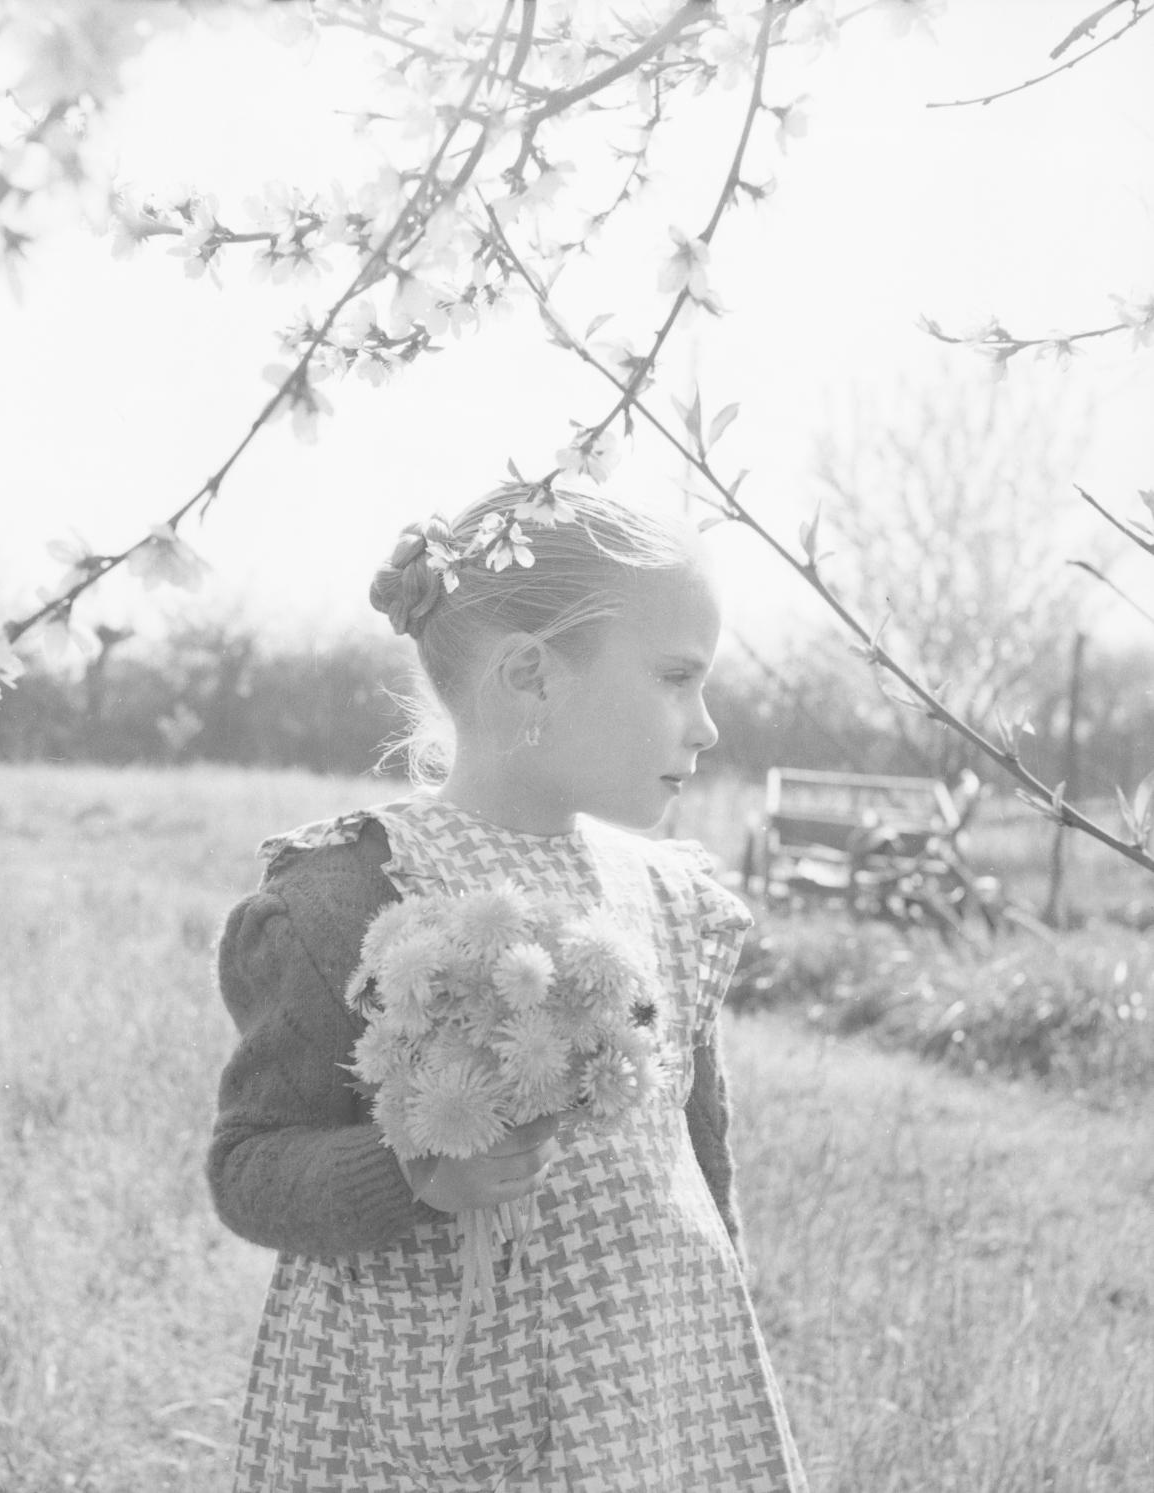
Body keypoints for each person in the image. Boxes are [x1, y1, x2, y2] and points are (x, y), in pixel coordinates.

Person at [207, 485, 807, 1492]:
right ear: (532, 676)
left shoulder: (670, 898)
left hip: (648, 1406)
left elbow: (695, 1157)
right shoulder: (348, 894)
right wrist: (412, 1172)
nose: (705, 727)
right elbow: (250, 1164)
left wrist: (715, 1342)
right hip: (417, 1419)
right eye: (675, 678)